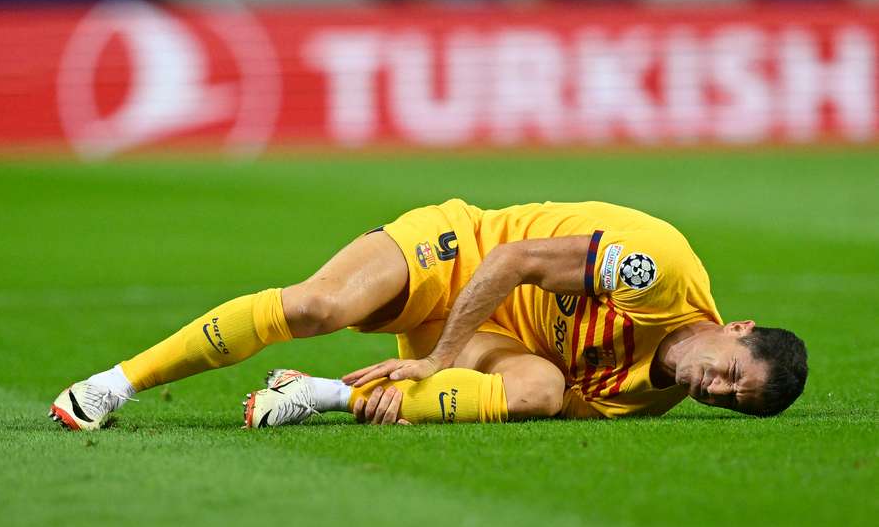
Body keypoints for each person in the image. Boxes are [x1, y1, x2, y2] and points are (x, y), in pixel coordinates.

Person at [48, 199, 808, 431]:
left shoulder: (649, 397)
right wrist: (441, 363)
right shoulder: (658, 272)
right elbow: (509, 264)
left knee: (540, 394)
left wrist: (425, 399)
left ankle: (318, 394)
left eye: (729, 401)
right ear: (737, 329)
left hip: (485, 334)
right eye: (733, 374)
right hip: (460, 252)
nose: (714, 388)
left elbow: (516, 396)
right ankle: (115, 383)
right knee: (319, 304)